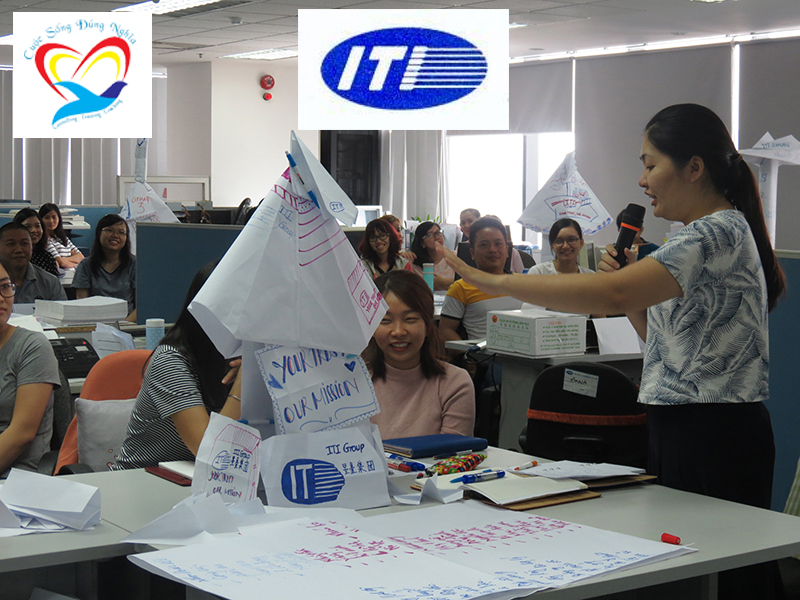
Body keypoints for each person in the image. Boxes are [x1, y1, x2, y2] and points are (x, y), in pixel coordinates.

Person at [439, 104, 785, 599]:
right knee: (692, 572)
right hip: (681, 421)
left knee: (727, 576)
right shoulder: (695, 234)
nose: (642, 181)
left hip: (715, 428)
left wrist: (497, 281)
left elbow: (611, 295)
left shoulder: (717, 232)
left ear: (694, 167)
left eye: (651, 165)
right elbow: (658, 337)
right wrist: (626, 294)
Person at [112, 262, 242, 470]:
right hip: (145, 478)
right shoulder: (171, 361)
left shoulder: (240, 358)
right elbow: (210, 451)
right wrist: (246, 380)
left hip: (208, 478)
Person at [365, 270, 474, 439]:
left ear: (428, 325)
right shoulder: (353, 383)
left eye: (410, 319)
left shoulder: (454, 383)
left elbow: (452, 451)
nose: (398, 332)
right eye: (385, 320)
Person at [0, 261, 60, 476]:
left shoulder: (31, 347)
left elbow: (21, 435)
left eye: (4, 287)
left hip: (15, 478)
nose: (1, 298)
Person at [440, 217, 524, 342]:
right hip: (483, 353)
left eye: (498, 244)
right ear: (472, 253)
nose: (492, 250)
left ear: (507, 250)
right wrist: (468, 353)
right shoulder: (461, 288)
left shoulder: (523, 284)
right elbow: (445, 330)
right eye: (484, 245)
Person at [73, 214, 137, 321]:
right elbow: (82, 305)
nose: (115, 235)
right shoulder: (85, 266)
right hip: (94, 323)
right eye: (110, 230)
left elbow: (141, 306)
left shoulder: (134, 265)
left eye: (121, 232)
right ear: (99, 233)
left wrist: (122, 326)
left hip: (127, 324)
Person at [0, 223, 66, 303]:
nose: (19, 250)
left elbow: (62, 310)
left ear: (32, 246)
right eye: (11, 244)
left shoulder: (50, 283)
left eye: (24, 244)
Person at [528, 219, 595, 275]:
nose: (565, 246)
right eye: (559, 241)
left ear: (581, 243)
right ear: (552, 245)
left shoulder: (590, 276)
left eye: (571, 240)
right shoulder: (539, 273)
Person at [13, 208, 59, 277]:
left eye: (37, 226)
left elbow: (54, 282)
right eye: (28, 227)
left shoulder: (47, 258)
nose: (34, 230)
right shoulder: (12, 257)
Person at [409, 221, 455, 291]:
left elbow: (466, 282)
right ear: (422, 243)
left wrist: (444, 282)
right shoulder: (414, 264)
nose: (437, 237)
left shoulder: (454, 256)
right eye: (430, 235)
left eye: (438, 233)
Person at [39, 203, 84, 270]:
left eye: (54, 217)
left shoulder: (63, 238)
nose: (51, 221)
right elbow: (62, 263)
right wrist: (74, 260)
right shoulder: (45, 240)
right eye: (47, 218)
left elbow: (81, 257)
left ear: (59, 218)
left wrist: (64, 260)